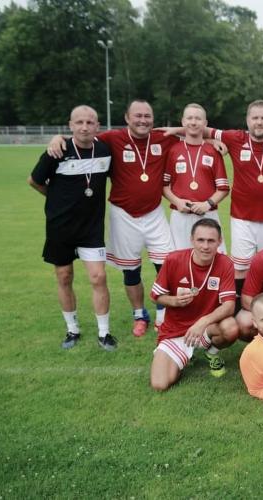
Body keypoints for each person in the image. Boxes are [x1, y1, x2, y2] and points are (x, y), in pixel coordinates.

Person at [48, 100, 179, 337]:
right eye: (137, 115)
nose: (142, 120)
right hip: (123, 215)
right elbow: (82, 136)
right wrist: (58, 138)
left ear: (153, 118)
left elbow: (196, 131)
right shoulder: (111, 139)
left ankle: (163, 316)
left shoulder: (163, 138)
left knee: (165, 268)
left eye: (147, 116)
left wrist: (180, 130)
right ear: (127, 118)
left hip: (155, 213)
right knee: (131, 271)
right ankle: (139, 315)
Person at [28, 105, 115, 350]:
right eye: (79, 122)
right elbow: (34, 181)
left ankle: (104, 333)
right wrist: (54, 199)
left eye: (90, 122)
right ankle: (72, 329)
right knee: (64, 276)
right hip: (60, 228)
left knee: (99, 277)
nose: (84, 127)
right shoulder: (57, 150)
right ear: (70, 125)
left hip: (91, 228)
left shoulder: (105, 150)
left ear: (98, 126)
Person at [207, 100, 263, 307]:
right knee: (240, 267)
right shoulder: (236, 138)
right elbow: (199, 128)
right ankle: (239, 308)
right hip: (242, 217)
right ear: (247, 120)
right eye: (255, 118)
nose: (259, 122)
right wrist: (211, 141)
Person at [150, 219, 239, 389]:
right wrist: (174, 301)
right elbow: (156, 296)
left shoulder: (225, 263)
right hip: (174, 331)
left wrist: (203, 322)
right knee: (160, 384)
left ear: (219, 242)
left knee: (231, 327)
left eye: (211, 241)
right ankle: (183, 357)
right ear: (192, 240)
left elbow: (229, 306)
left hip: (205, 329)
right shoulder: (174, 259)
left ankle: (211, 353)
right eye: (200, 240)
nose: (205, 246)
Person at [162, 103, 229, 253]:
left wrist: (207, 204)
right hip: (180, 216)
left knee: (215, 258)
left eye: (198, 119)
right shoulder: (173, 150)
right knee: (180, 259)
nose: (193, 122)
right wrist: (177, 201)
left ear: (205, 124)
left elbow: (223, 189)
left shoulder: (213, 151)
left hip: (208, 214)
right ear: (183, 121)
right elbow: (164, 185)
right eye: (190, 118)